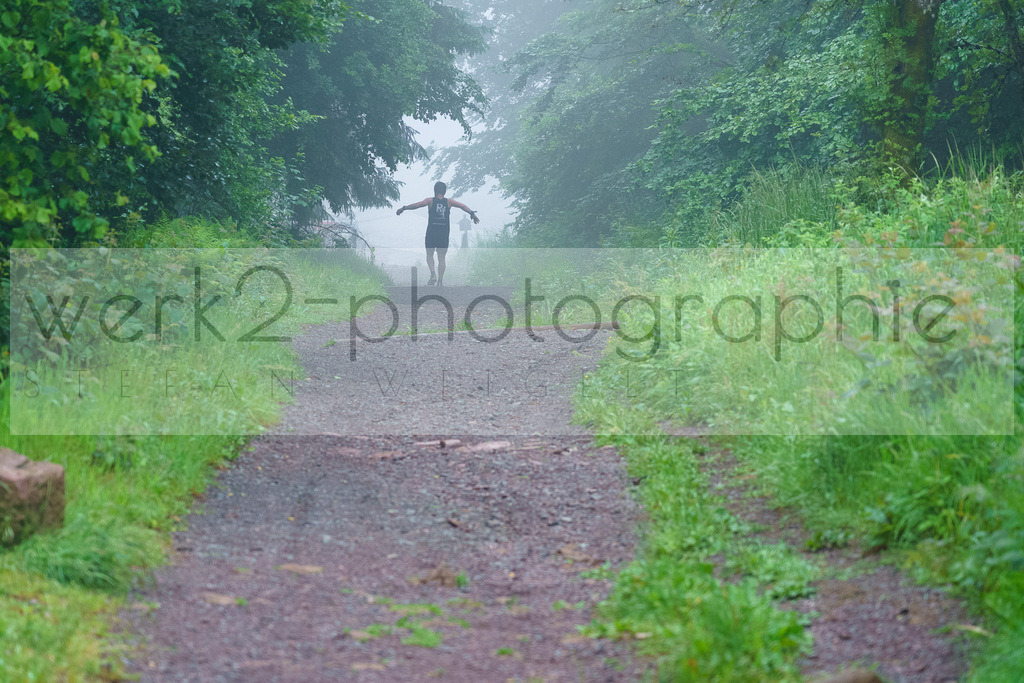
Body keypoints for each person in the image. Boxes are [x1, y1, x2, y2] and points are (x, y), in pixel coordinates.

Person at [396, 181, 479, 286]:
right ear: (444, 191)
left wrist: (403, 208)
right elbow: (462, 206)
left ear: (434, 190)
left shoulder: (430, 201)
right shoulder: (449, 202)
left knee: (429, 255)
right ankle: (440, 281)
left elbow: (417, 205)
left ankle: (433, 274)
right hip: (443, 234)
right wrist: (472, 213)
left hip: (432, 232)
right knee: (442, 258)